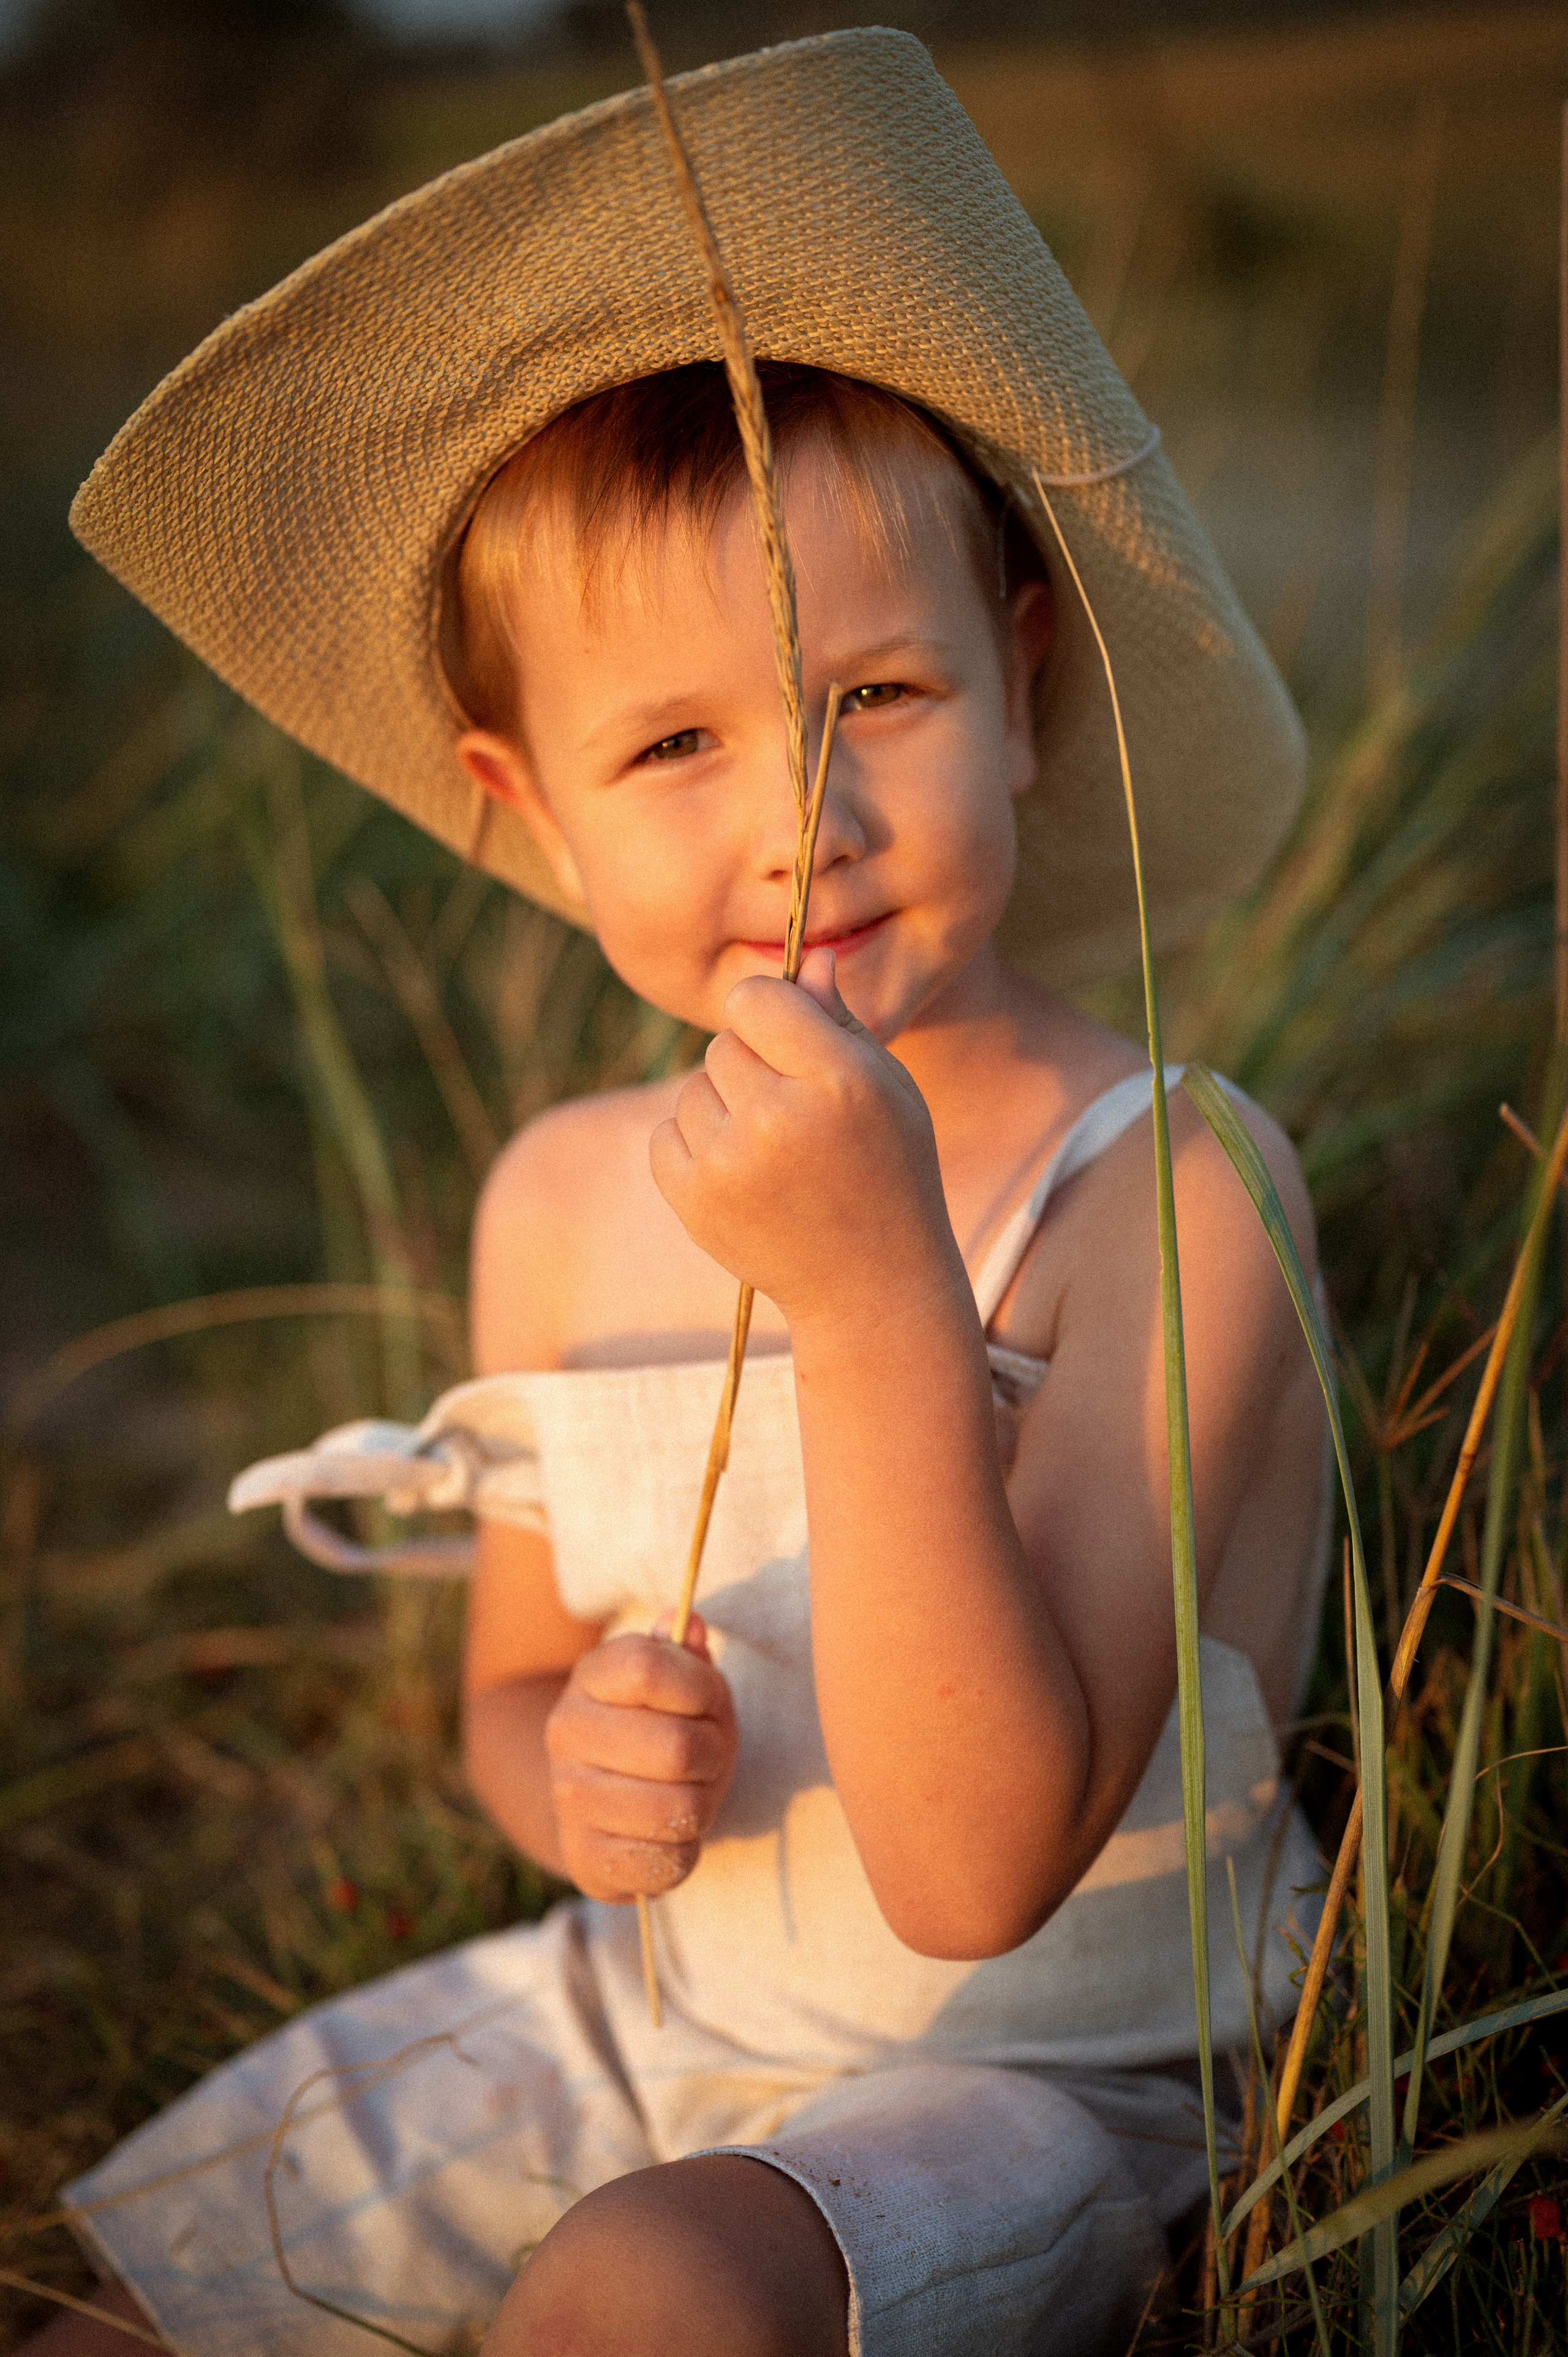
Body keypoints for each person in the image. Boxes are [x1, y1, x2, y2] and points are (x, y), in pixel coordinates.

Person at [40, 28, 1330, 2357]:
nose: (792, 819)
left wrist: (875, 1300)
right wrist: (576, 1773)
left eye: (881, 698)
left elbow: (975, 1871)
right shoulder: (556, 1199)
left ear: (1025, 684)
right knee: (155, 2299)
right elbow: (514, 1683)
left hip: (1027, 2081)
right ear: (525, 810)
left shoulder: (1180, 1185)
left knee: (650, 2289)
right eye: (671, 744)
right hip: (633, 2001)